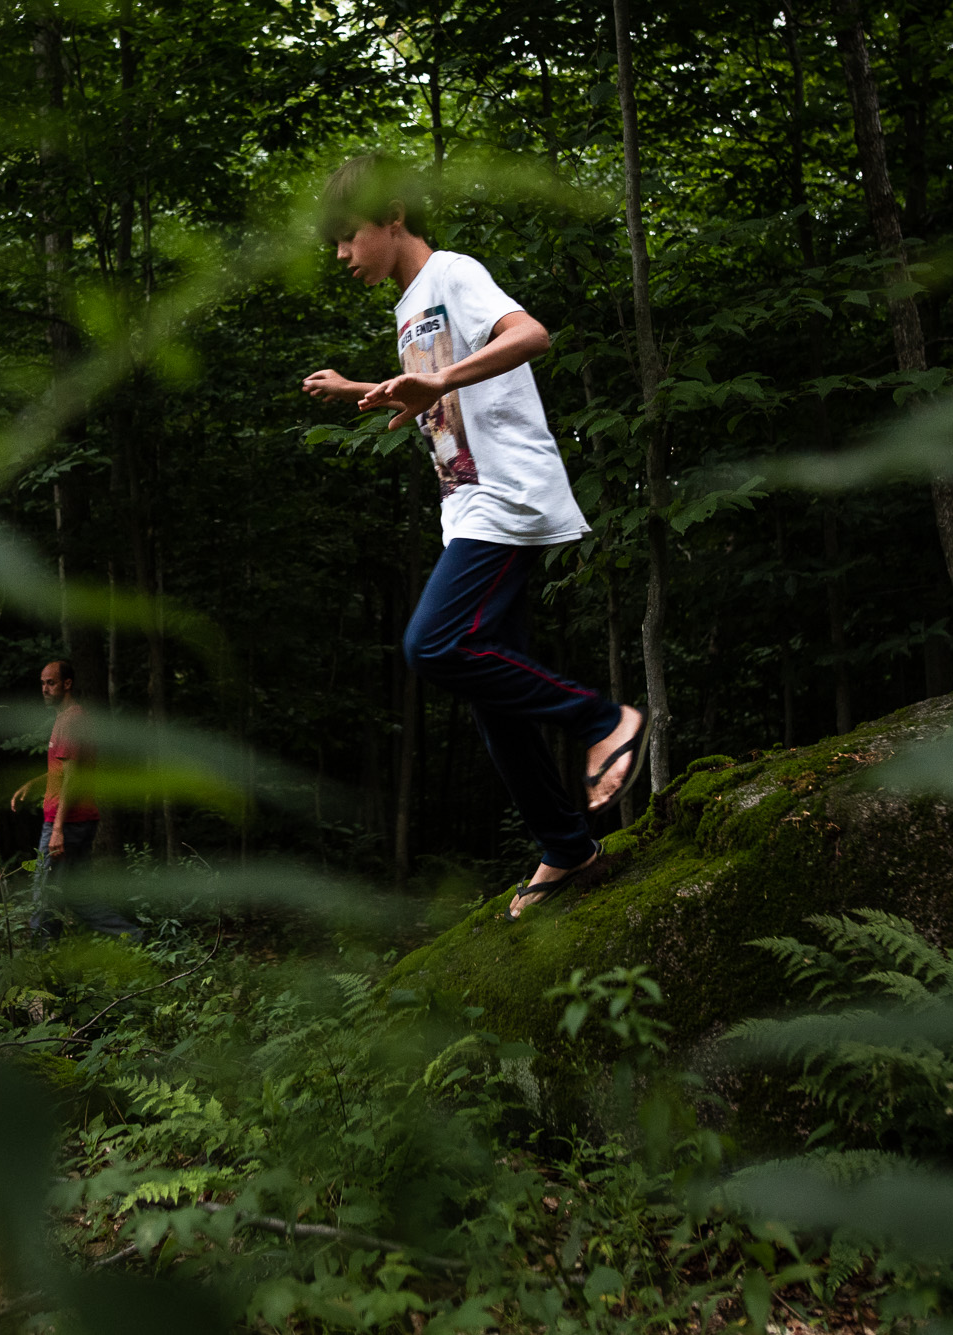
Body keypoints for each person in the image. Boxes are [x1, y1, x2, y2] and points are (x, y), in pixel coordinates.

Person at [300, 153, 651, 923]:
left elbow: (530, 334)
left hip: (505, 498)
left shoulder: (453, 271)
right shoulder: (407, 307)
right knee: (493, 699)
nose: (340, 255)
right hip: (466, 503)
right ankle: (568, 845)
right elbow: (437, 392)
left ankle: (603, 720)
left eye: (347, 236)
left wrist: (441, 383)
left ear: (392, 217)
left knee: (433, 645)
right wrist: (365, 389)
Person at [10, 660, 141, 940]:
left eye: (51, 683)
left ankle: (41, 961)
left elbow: (71, 778)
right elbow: (63, 771)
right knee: (79, 898)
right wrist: (33, 785)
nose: (45, 689)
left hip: (67, 823)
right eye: (42, 683)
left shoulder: (72, 720)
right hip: (77, 821)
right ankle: (133, 936)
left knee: (45, 894)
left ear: (67, 684)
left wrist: (57, 830)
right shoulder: (67, 718)